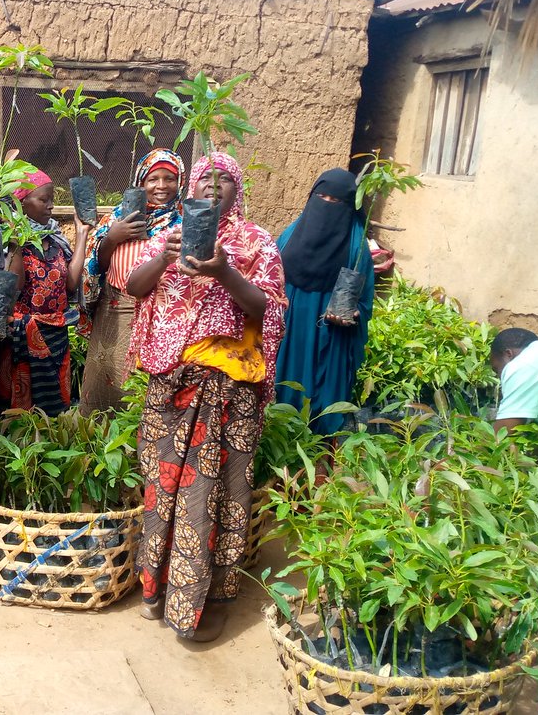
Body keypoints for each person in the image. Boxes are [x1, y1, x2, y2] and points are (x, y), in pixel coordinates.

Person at [125, 152, 287, 642]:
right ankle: (155, 589)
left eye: (225, 182)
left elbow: (271, 307)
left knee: (217, 498)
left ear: (238, 191)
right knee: (163, 490)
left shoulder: (257, 243)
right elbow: (134, 287)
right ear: (190, 190)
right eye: (204, 181)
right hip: (172, 384)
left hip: (230, 392)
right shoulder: (169, 233)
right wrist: (161, 257)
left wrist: (226, 273)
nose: (213, 189)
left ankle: (204, 602)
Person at [79, 149, 185, 414]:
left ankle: (135, 448)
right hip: (113, 310)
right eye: (153, 178)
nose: (162, 186)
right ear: (141, 182)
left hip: (158, 316)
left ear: (180, 182)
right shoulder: (118, 218)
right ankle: (96, 445)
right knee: (104, 379)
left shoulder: (182, 223)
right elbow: (97, 266)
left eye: (169, 178)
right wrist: (113, 237)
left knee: (139, 386)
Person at [273, 168, 375, 433]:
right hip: (291, 331)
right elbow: (271, 282)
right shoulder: (289, 237)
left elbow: (364, 301)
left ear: (349, 206)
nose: (327, 206)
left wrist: (355, 314)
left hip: (331, 337)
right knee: (283, 390)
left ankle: (319, 463)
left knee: (324, 406)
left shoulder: (357, 247)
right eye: (322, 197)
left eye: (337, 202)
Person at [0, 167, 90, 417]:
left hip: (56, 335)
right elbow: (14, 286)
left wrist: (82, 235)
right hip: (22, 338)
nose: (50, 207)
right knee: (20, 409)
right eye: (43, 200)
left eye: (52, 200)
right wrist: (15, 237)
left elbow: (70, 284)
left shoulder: (56, 240)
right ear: (22, 203)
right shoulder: (10, 242)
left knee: (54, 408)